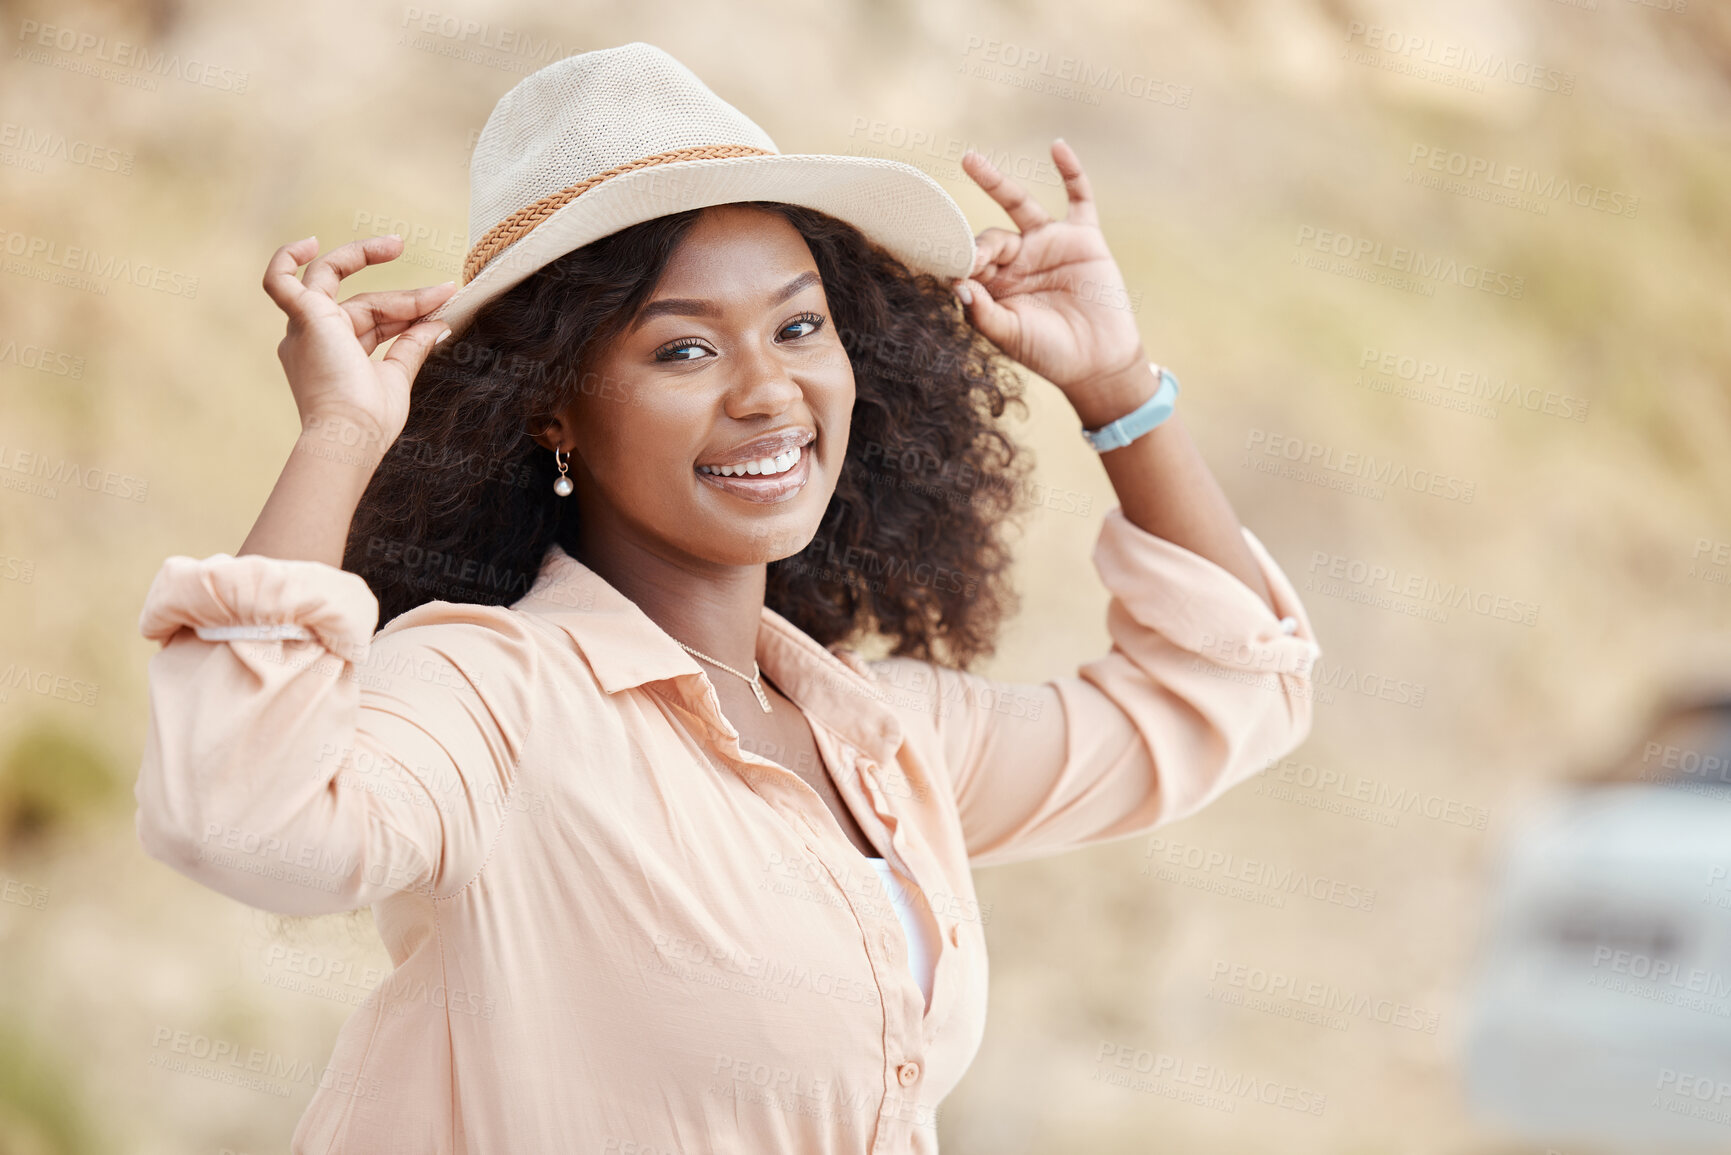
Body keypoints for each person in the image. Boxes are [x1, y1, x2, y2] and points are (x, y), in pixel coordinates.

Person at [132, 42, 1322, 1154]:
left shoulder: (876, 736)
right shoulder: (492, 696)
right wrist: (342, 434)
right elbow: (242, 821)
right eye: (684, 350)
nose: (770, 392)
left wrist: (1118, 388)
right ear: (553, 408)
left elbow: (1232, 687)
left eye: (800, 326)